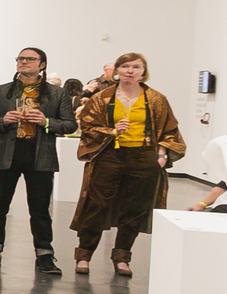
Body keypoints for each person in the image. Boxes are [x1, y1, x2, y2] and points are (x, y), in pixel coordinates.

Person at [71, 53, 186, 276]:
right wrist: (112, 131)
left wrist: (162, 154)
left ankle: (122, 257)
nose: (130, 71)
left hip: (143, 157)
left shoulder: (156, 99)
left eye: (136, 66)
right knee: (97, 204)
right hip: (109, 156)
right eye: (125, 66)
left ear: (144, 71)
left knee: (136, 207)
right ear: (117, 70)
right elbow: (87, 125)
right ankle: (84, 255)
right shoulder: (102, 97)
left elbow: (169, 129)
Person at [0, 47, 77, 274]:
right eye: (20, 59)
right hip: (6, 156)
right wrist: (2, 120)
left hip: (40, 157)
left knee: (40, 209)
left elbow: (70, 125)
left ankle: (44, 255)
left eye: (30, 59)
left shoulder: (57, 94)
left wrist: (46, 121)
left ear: (42, 65)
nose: (24, 62)